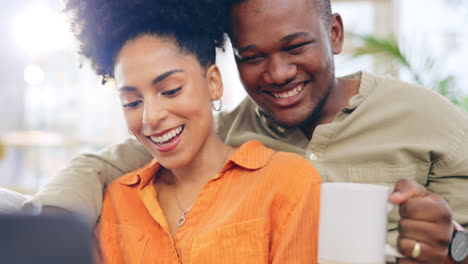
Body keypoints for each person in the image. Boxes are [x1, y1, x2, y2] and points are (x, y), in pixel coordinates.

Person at [27, 0, 468, 263]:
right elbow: (100, 164)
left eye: (295, 47)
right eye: (251, 56)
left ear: (334, 33)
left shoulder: (433, 121)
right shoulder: (217, 132)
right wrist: (42, 229)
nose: (277, 73)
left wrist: (455, 247)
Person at [60, 0, 321, 263]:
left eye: (171, 90)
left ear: (213, 83)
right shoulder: (118, 199)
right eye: (132, 102)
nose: (150, 117)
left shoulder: (287, 182)